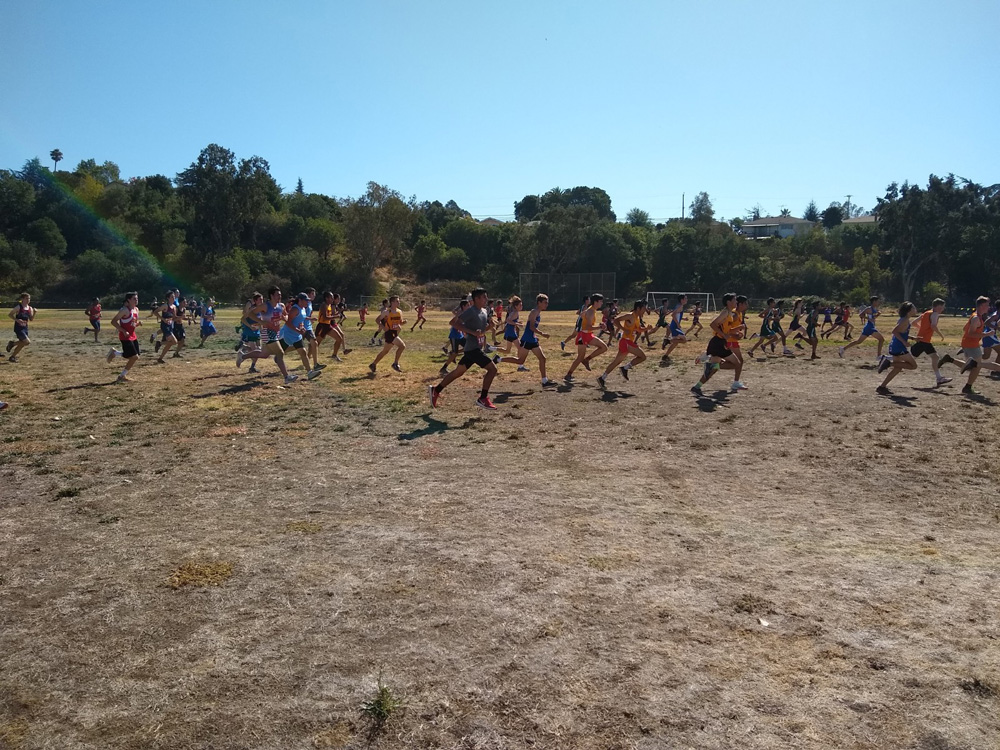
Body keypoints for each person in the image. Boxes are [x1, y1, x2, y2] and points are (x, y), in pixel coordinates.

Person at [429, 288, 499, 410]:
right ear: (476, 299)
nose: (486, 299)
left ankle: (436, 390)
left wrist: (490, 326)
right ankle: (483, 398)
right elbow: (454, 323)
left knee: (458, 372)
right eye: (484, 297)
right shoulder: (471, 311)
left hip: (475, 348)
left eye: (486, 296)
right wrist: (472, 332)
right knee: (492, 369)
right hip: (472, 349)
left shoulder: (484, 311)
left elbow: (481, 332)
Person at [690, 293, 748, 394]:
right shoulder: (725, 313)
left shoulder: (729, 313)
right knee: (737, 363)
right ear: (728, 302)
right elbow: (713, 324)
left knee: (715, 368)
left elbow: (727, 330)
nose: (736, 302)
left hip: (718, 342)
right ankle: (710, 365)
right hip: (718, 343)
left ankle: (696, 387)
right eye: (734, 300)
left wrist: (737, 330)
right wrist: (723, 335)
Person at [494, 294, 554, 386]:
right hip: (527, 340)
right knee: (520, 361)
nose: (547, 304)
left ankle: (544, 381)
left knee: (542, 358)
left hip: (532, 339)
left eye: (547, 302)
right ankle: (498, 359)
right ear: (539, 303)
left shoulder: (538, 312)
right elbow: (531, 327)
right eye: (545, 302)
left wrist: (534, 336)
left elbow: (531, 328)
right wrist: (542, 334)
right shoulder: (534, 312)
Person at [597, 300, 651, 389]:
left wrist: (646, 329)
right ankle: (625, 368)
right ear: (638, 308)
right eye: (643, 309)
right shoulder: (630, 315)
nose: (645, 311)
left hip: (627, 342)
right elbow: (616, 321)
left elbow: (638, 329)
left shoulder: (637, 318)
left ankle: (602, 378)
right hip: (626, 342)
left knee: (616, 362)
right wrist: (623, 329)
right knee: (642, 357)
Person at [954, 296, 1000, 395]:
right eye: (987, 305)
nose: (989, 307)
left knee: (975, 366)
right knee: (976, 366)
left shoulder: (977, 316)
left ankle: (952, 361)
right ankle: (967, 387)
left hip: (970, 344)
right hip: (971, 345)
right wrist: (986, 334)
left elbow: (965, 329)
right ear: (982, 306)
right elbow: (970, 333)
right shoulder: (976, 318)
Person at [875, 302, 919, 394]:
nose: (916, 309)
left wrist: (912, 338)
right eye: (914, 308)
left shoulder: (904, 319)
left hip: (895, 346)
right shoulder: (905, 320)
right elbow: (894, 331)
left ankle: (881, 387)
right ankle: (888, 363)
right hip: (899, 347)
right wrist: (904, 342)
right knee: (913, 366)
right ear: (909, 310)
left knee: (898, 368)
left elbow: (901, 332)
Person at [909, 297, 954, 386]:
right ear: (938, 306)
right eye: (942, 307)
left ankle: (888, 359)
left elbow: (914, 323)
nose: (943, 309)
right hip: (925, 340)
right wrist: (941, 335)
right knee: (935, 357)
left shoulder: (926, 313)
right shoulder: (935, 314)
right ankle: (939, 378)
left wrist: (922, 328)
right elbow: (933, 326)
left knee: (911, 357)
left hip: (921, 338)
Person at [564, 294, 608, 381]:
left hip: (588, 335)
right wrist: (599, 327)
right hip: (583, 336)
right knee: (580, 357)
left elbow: (582, 315)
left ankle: (586, 360)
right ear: (595, 302)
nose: (602, 303)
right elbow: (587, 327)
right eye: (601, 301)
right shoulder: (591, 311)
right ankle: (568, 375)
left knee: (604, 347)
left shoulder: (592, 310)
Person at [280, 293, 322, 379]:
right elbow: (288, 322)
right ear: (300, 300)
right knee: (278, 351)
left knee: (303, 352)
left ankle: (309, 372)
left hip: (296, 335)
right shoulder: (295, 309)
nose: (307, 302)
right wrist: (298, 330)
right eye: (306, 300)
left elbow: (301, 318)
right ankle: (277, 356)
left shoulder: (303, 308)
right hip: (287, 334)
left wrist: (302, 326)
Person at [106, 292, 142, 382]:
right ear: (128, 300)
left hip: (133, 335)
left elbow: (132, 323)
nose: (136, 300)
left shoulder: (136, 309)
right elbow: (113, 321)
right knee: (134, 357)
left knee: (134, 356)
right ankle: (121, 376)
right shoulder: (124, 310)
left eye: (137, 298)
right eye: (134, 298)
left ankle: (115, 353)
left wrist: (137, 324)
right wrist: (123, 331)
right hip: (125, 336)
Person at [840, 296, 885, 361]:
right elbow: (861, 315)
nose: (878, 302)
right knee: (881, 339)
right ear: (874, 301)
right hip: (870, 327)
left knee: (859, 341)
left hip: (869, 327)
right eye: (877, 301)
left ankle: (843, 349)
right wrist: (868, 318)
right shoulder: (869, 308)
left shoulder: (874, 309)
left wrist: (877, 315)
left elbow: (873, 318)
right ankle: (879, 356)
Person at [369, 296, 405, 373]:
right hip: (389, 333)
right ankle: (395, 363)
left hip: (395, 332)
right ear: (392, 302)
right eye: (397, 301)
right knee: (402, 346)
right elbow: (377, 320)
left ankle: (373, 364)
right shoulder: (387, 312)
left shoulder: (399, 312)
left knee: (385, 351)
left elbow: (400, 322)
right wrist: (383, 327)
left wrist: (403, 322)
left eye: (398, 301)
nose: (399, 302)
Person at [236, 293, 265, 374]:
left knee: (258, 350)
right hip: (250, 332)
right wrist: (250, 326)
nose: (262, 301)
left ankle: (243, 349)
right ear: (255, 301)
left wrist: (261, 329)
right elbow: (243, 319)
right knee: (255, 351)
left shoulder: (261, 309)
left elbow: (260, 320)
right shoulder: (252, 309)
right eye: (260, 299)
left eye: (262, 299)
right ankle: (247, 361)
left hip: (257, 332)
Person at [441, 300, 469, 375]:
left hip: (460, 335)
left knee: (468, 347)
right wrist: (458, 323)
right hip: (454, 336)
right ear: (463, 306)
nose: (469, 307)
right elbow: (451, 323)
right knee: (455, 353)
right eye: (467, 305)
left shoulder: (465, 314)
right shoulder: (459, 314)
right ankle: (444, 368)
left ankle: (452, 353)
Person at [5, 293, 35, 363]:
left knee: (23, 343)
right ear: (22, 299)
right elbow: (10, 314)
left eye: (29, 298)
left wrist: (35, 313)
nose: (28, 300)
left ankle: (12, 355)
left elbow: (31, 319)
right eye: (26, 298)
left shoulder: (30, 308)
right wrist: (17, 320)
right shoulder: (18, 307)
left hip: (25, 328)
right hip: (18, 328)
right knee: (27, 342)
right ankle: (12, 346)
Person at [151, 292, 178, 363]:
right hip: (165, 325)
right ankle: (160, 344)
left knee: (171, 342)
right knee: (174, 341)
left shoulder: (174, 307)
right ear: (168, 298)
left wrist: (182, 317)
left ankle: (160, 356)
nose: (174, 298)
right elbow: (155, 312)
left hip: (170, 325)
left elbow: (174, 317)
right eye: (172, 297)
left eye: (174, 296)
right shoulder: (165, 306)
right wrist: (163, 319)